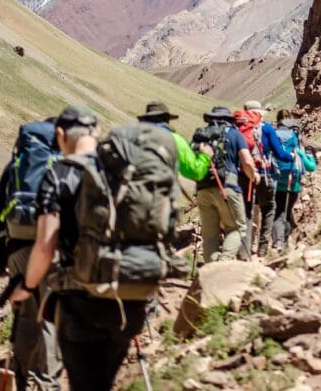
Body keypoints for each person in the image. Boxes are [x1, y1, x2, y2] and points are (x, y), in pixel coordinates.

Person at [11, 104, 209, 391]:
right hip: (132, 298)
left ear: (60, 134)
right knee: (103, 380)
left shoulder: (59, 174)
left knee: (85, 384)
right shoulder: (123, 173)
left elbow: (44, 246)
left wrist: (28, 287)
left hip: (81, 301)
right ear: (98, 132)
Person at [0, 123, 63, 391]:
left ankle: (21, 376)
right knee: (50, 312)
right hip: (50, 246)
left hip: (16, 248)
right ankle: (48, 382)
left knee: (23, 312)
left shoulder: (16, 166)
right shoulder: (61, 165)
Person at [195, 106, 256, 262]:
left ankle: (211, 269)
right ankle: (224, 263)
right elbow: (247, 161)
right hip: (227, 187)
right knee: (237, 227)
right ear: (228, 119)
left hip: (202, 188)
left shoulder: (201, 135)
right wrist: (253, 176)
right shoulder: (234, 134)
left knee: (209, 235)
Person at [241, 100, 293, 257]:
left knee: (246, 211)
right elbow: (279, 153)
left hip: (244, 175)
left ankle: (245, 249)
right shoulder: (268, 129)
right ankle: (263, 248)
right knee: (268, 208)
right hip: (264, 174)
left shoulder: (239, 129)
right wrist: (291, 156)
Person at [272, 110, 318, 251]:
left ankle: (279, 242)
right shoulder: (295, 141)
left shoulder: (274, 137)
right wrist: (309, 155)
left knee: (279, 210)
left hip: (277, 179)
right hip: (294, 181)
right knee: (287, 210)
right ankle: (284, 243)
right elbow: (310, 167)